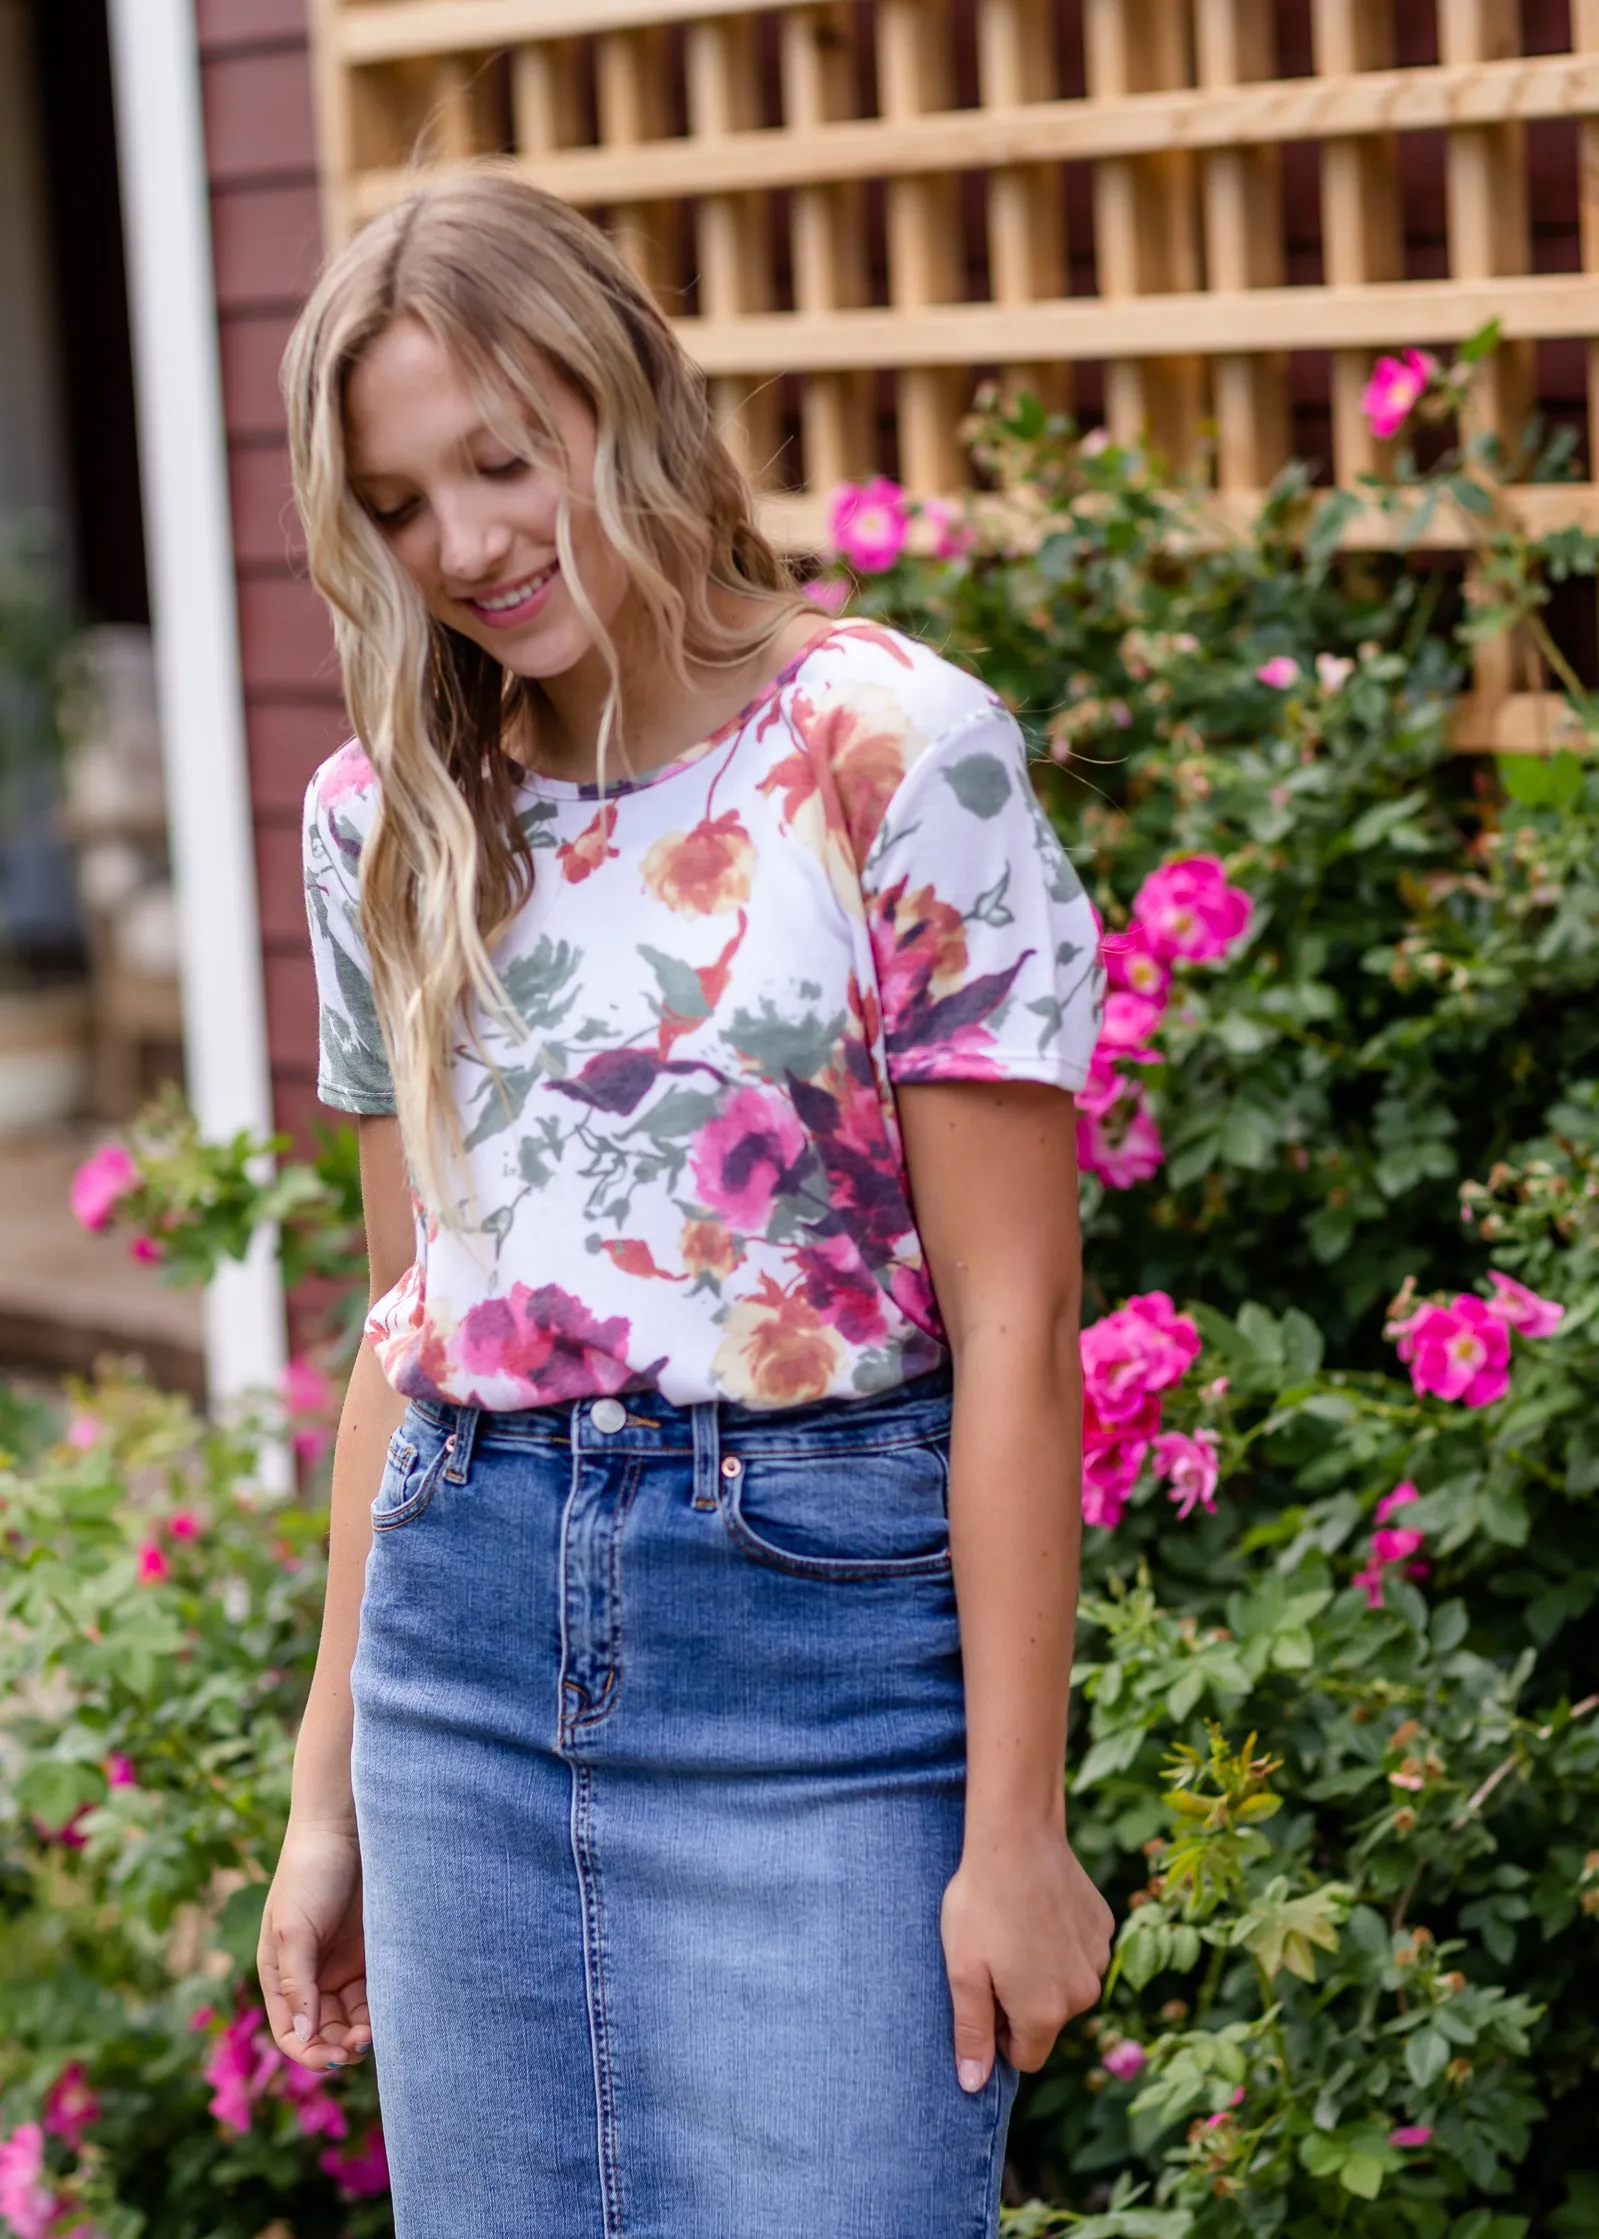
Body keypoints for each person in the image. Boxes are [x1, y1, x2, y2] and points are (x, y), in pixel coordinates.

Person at [258, 170, 1113, 2239]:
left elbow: (1013, 1329)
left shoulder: (892, 755)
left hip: (817, 1669)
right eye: (394, 504)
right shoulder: (385, 817)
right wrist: (321, 1798)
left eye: (498, 458)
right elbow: (409, 1314)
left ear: (621, 396)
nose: (460, 545)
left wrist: (1017, 1828)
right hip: (454, 1677)